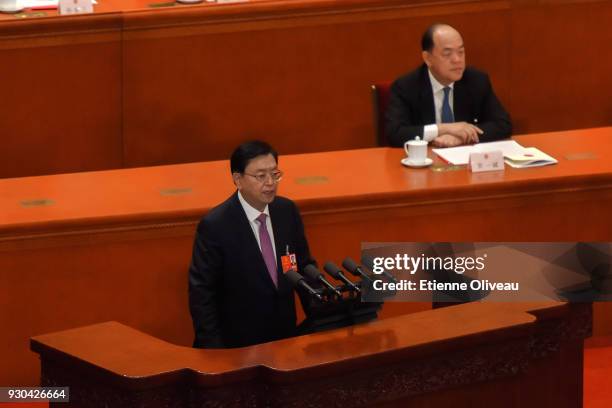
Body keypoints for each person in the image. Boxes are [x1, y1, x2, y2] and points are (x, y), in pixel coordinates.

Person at [189, 140, 317, 348]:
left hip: (285, 340)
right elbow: (202, 293)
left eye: (275, 174)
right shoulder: (216, 225)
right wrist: (214, 351)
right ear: (237, 179)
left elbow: (302, 267)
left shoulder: (287, 212)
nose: (270, 182)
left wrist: (323, 316)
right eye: (260, 176)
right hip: (238, 346)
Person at [386, 23, 512, 148]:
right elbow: (395, 134)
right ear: (427, 58)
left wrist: (461, 137)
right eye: (447, 54)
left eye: (461, 52)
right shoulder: (406, 86)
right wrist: (443, 129)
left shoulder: (476, 80)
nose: (457, 60)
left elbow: (503, 124)